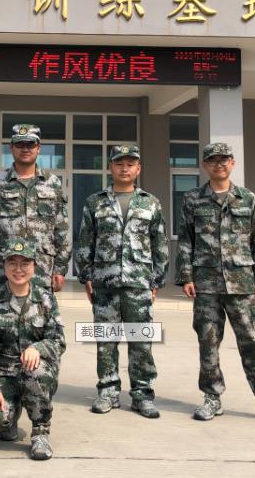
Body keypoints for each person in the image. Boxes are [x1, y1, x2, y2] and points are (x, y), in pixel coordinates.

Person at [175, 142, 255, 427]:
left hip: (241, 282)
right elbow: (186, 239)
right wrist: (186, 276)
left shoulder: (247, 198)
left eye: (224, 159)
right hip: (206, 282)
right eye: (213, 160)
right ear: (205, 165)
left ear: (232, 163)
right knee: (208, 341)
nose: (219, 164)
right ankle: (212, 397)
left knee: (251, 342)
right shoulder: (192, 199)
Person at [76, 145, 168, 417]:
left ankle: (142, 395)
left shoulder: (151, 203)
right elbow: (85, 241)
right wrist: (85, 276)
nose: (124, 168)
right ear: (110, 167)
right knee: (106, 340)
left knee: (141, 341)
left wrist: (156, 280)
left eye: (130, 164)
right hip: (104, 283)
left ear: (138, 169)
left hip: (139, 283)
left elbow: (159, 243)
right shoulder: (95, 202)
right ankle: (108, 392)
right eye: (119, 163)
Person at [0, 238, 66, 461]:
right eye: (12, 263)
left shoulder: (45, 299)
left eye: (24, 263)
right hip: (5, 374)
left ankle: (40, 431)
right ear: (4, 266)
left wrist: (38, 348)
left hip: (34, 373)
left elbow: (58, 340)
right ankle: (10, 417)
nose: (18, 269)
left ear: (34, 266)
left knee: (37, 370)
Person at [0, 124, 70, 293]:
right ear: (11, 147)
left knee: (42, 310)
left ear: (38, 148)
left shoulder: (52, 183)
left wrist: (60, 268)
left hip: (43, 268)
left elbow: (62, 229)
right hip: (7, 267)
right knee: (4, 309)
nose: (25, 149)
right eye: (20, 144)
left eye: (30, 144)